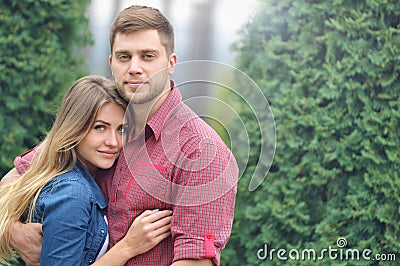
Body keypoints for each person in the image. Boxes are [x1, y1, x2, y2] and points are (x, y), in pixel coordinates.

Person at [4, 5, 238, 266]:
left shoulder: (201, 150)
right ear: (111, 62)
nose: (135, 68)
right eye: (124, 56)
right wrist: (15, 232)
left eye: (148, 56)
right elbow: (11, 183)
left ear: (171, 63)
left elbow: (196, 262)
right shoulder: (95, 123)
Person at [0, 75, 172, 265]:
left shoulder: (83, 173)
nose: (113, 143)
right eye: (100, 128)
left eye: (121, 129)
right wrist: (128, 247)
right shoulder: (72, 193)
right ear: (75, 128)